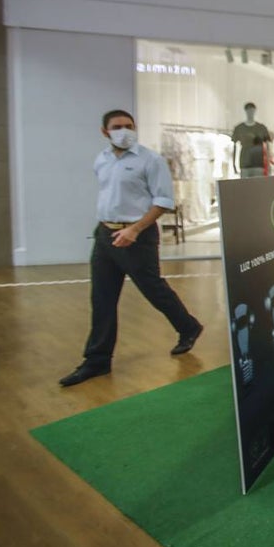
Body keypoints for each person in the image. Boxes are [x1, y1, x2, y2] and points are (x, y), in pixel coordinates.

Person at [58, 110, 205, 387]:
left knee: (153, 290)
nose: (124, 131)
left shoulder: (151, 160)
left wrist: (135, 229)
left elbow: (163, 201)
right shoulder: (101, 160)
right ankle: (97, 360)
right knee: (101, 298)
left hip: (138, 236)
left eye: (129, 126)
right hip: (105, 235)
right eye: (117, 127)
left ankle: (188, 326)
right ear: (105, 132)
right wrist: (108, 228)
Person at [232, 101, 272, 177]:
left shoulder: (261, 128)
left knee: (258, 187)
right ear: (245, 111)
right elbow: (234, 147)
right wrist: (234, 164)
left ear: (255, 111)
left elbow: (267, 147)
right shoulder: (239, 128)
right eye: (249, 110)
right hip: (244, 163)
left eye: (252, 111)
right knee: (245, 187)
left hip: (258, 164)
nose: (250, 113)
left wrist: (268, 163)